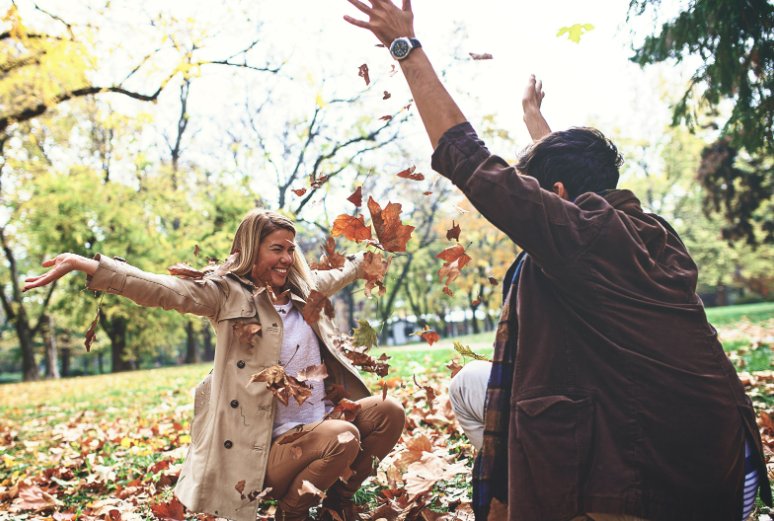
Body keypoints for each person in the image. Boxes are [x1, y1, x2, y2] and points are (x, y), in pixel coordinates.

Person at [342, 2, 771, 521]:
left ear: (559, 194)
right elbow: (570, 186)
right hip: (723, 466)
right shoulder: (642, 230)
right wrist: (536, 123)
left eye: (540, 193)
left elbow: (470, 161)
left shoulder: (582, 235)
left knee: (500, 406)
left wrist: (405, 48)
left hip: (653, 486)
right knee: (471, 385)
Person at [23, 209, 406, 521]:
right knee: (344, 436)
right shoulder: (226, 295)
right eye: (277, 249)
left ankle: (337, 503)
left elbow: (342, 271)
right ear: (252, 251)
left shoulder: (305, 290)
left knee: (389, 412)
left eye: (291, 249)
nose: (287, 258)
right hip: (267, 449)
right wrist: (88, 267)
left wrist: (369, 254)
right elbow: (161, 289)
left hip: (321, 422)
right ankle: (292, 513)